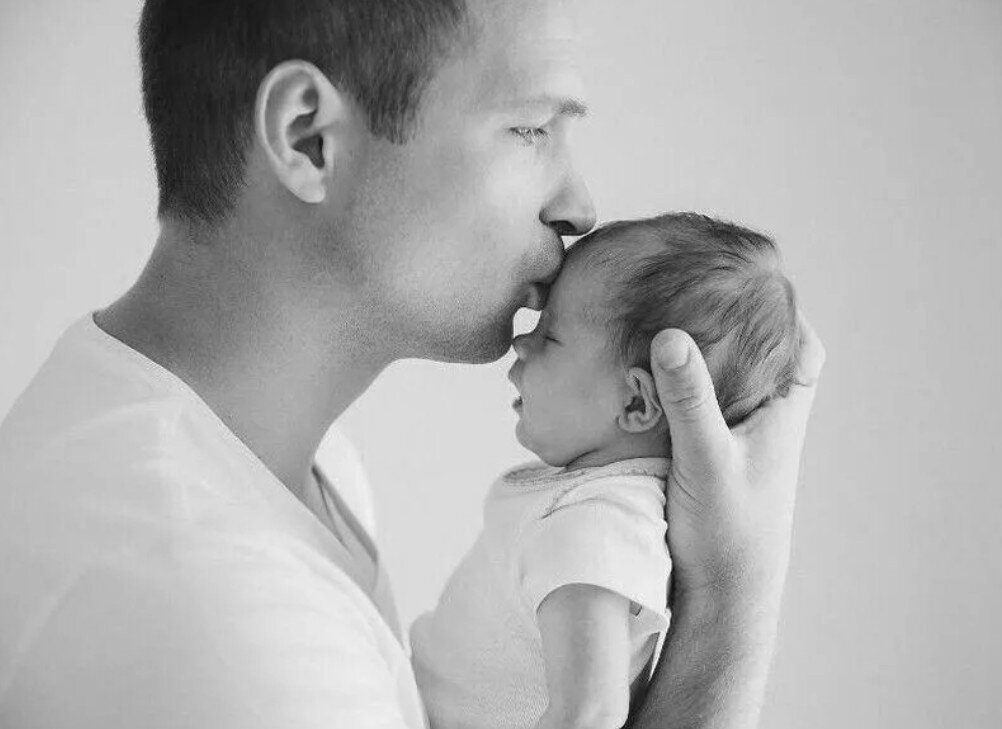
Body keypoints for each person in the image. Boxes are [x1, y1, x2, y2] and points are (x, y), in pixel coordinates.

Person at [0, 0, 825, 727]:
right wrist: (730, 597)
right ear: (309, 138)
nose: (578, 207)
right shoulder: (217, 607)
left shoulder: (290, 465)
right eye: (530, 128)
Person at [410, 212, 802, 729]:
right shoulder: (596, 509)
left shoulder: (597, 523)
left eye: (551, 336)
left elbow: (592, 712)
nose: (522, 343)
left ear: (636, 403)